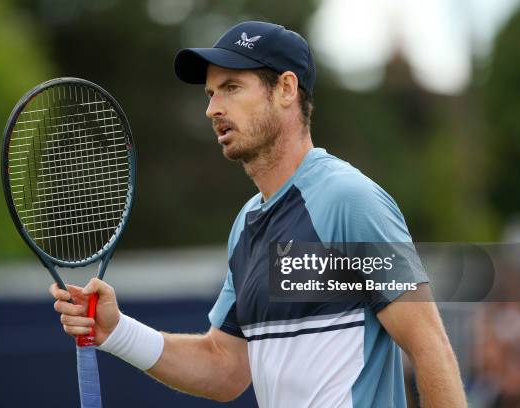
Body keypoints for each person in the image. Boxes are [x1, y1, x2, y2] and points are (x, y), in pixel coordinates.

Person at [50, 21, 466, 407]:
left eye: (231, 87)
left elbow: (430, 348)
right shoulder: (247, 225)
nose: (212, 108)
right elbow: (225, 367)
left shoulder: (349, 200)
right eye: (210, 93)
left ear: (286, 88)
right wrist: (117, 330)